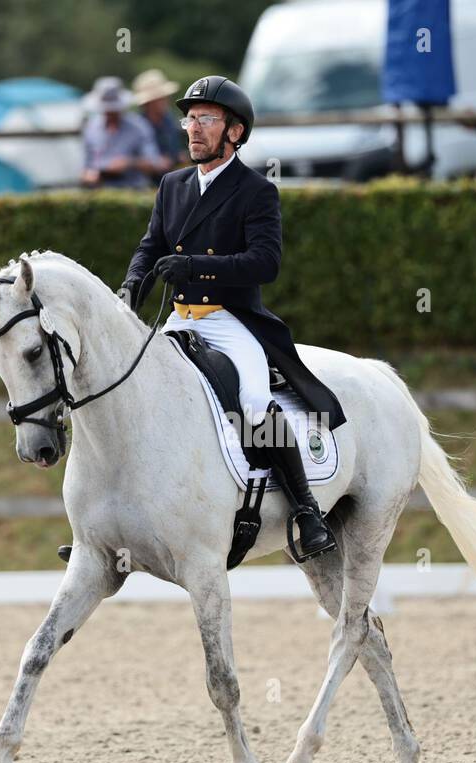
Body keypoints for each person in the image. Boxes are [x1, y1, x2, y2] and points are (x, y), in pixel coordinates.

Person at [119, 75, 345, 559]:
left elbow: (266, 263)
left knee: (253, 400)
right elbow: (149, 248)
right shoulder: (172, 185)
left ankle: (307, 510)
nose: (193, 129)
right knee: (127, 391)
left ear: (235, 133)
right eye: (190, 119)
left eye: (206, 119)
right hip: (179, 319)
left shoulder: (255, 191)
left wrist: (197, 267)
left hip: (229, 319)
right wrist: (129, 290)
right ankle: (113, 516)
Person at [80, 76, 162, 189]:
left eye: (114, 111)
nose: (111, 114)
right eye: (107, 111)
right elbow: (85, 168)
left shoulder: (139, 126)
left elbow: (154, 164)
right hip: (100, 190)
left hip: (134, 190)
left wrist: (129, 163)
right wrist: (91, 175)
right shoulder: (91, 128)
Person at [132, 68, 188, 180]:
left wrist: (177, 157)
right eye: (161, 98)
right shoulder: (136, 127)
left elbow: (174, 150)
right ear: (148, 103)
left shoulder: (169, 120)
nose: (166, 100)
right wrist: (155, 162)